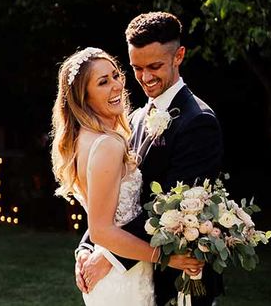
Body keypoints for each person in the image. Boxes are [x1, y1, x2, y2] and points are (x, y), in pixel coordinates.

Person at [74, 12, 224, 306]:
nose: (145, 77)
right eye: (137, 68)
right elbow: (117, 201)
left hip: (180, 278)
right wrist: (87, 246)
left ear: (178, 55)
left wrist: (110, 255)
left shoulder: (199, 121)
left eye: (155, 66)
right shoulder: (134, 118)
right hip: (139, 275)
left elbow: (173, 207)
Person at [51, 46, 204, 305]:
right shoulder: (107, 145)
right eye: (102, 82)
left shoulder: (82, 139)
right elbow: (100, 230)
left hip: (114, 272)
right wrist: (166, 257)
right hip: (123, 279)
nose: (116, 85)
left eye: (115, 75)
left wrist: (84, 249)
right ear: (84, 96)